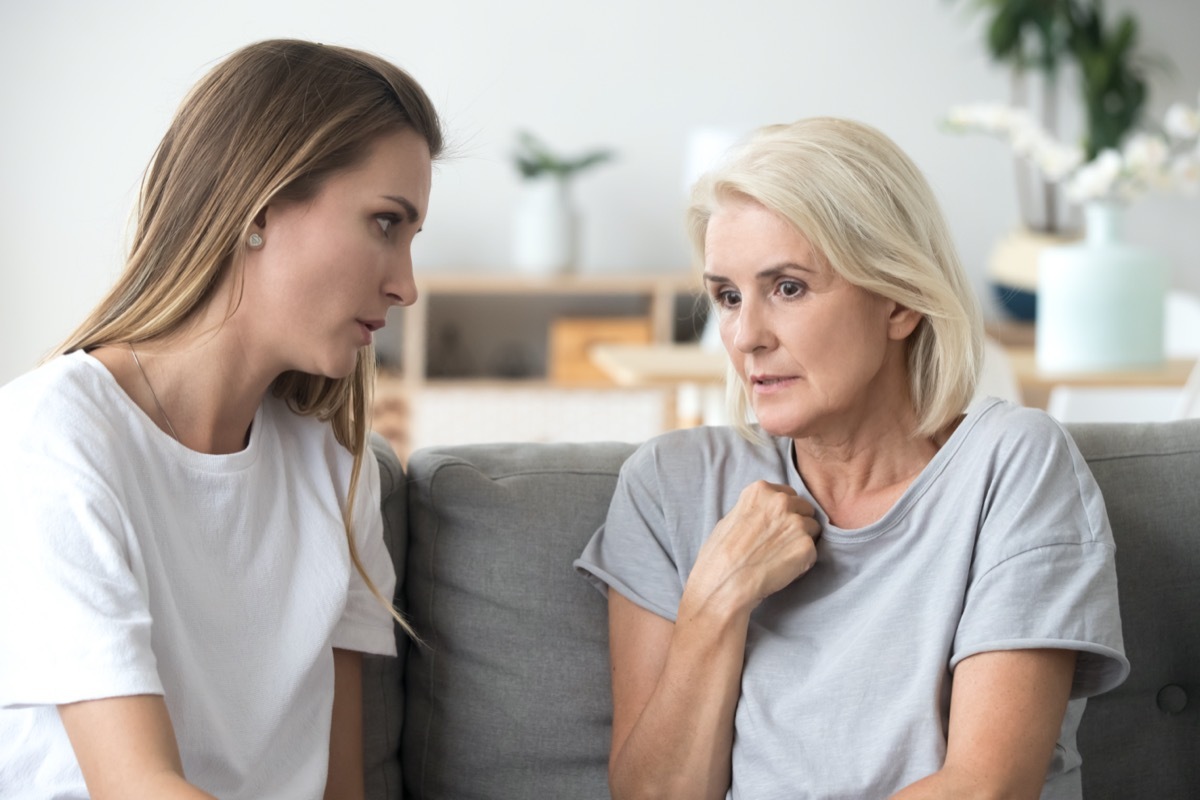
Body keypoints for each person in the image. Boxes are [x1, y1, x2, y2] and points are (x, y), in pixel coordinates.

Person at [575, 117, 1128, 799]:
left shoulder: (1012, 464)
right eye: (727, 296)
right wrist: (715, 603)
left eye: (788, 288)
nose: (746, 336)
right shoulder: (669, 485)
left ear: (899, 300)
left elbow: (987, 789)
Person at [0, 39, 441, 799]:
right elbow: (136, 785)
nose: (405, 285)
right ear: (259, 206)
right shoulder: (56, 434)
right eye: (383, 223)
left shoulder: (339, 471)